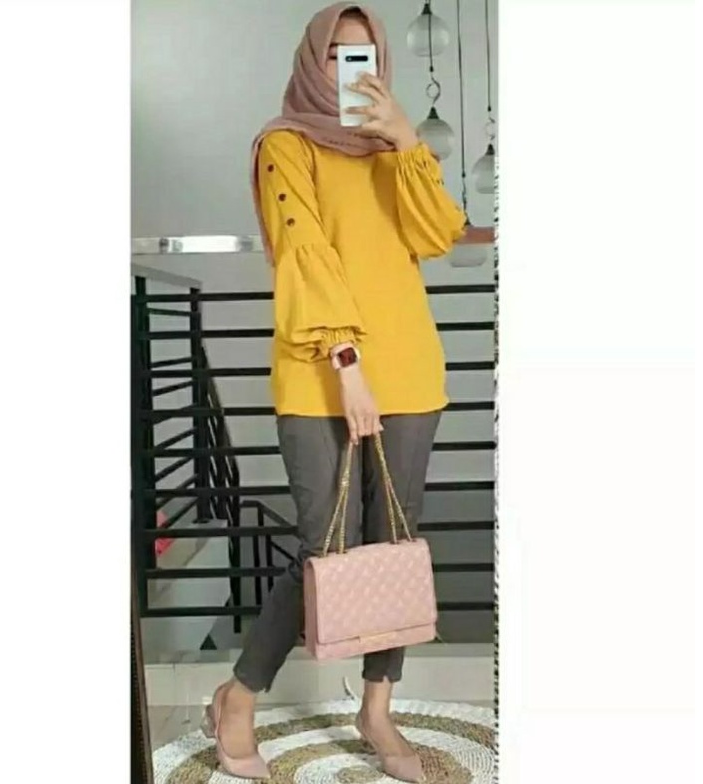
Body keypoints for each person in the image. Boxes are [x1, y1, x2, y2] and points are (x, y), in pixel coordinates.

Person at [204, 3, 470, 781]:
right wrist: (348, 362)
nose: (352, 71)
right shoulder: (284, 145)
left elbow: (438, 234)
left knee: (396, 544)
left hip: (410, 369)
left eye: (366, 57)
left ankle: (376, 707)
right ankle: (239, 696)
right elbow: (304, 254)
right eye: (337, 56)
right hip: (323, 372)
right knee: (326, 549)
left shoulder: (393, 149)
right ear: (312, 60)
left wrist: (407, 141)